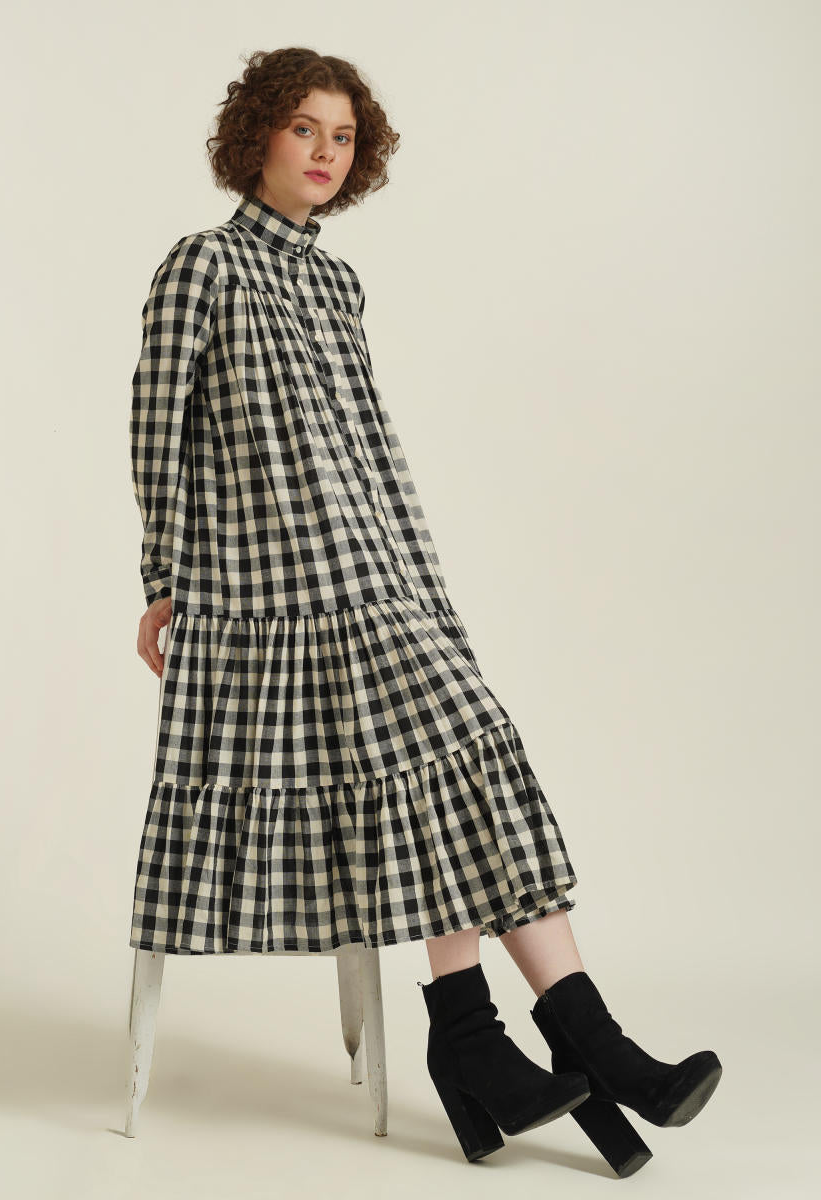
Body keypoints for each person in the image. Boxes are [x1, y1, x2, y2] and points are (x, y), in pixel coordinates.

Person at [127, 47, 721, 1172]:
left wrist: (419, 585)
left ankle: (500, 1038)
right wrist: (162, 579)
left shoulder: (335, 284)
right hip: (274, 597)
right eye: (304, 128)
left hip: (376, 576)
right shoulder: (203, 266)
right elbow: (158, 435)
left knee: (456, 764)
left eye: (343, 137)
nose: (324, 152)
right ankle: (556, 1047)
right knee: (453, 756)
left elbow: (366, 449)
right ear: (258, 135)